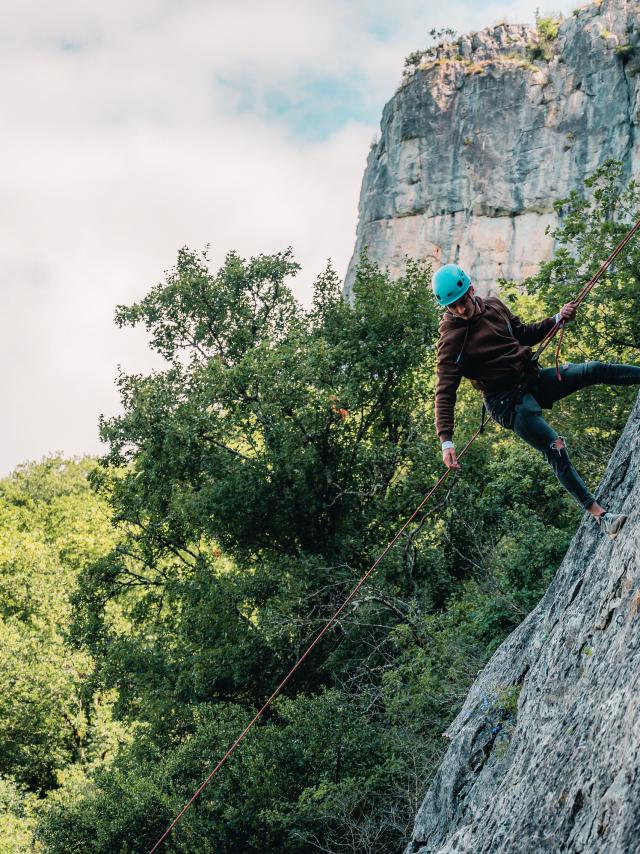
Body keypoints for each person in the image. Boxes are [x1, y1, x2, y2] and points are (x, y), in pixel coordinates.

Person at [432, 263, 639, 539]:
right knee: (555, 447)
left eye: (460, 303)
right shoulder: (451, 339)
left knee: (593, 370)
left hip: (530, 378)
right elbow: (445, 390)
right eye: (452, 307)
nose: (459, 310)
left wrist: (557, 318)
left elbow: (523, 333)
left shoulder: (494, 306)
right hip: (507, 403)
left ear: (471, 290)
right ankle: (602, 518)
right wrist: (446, 440)